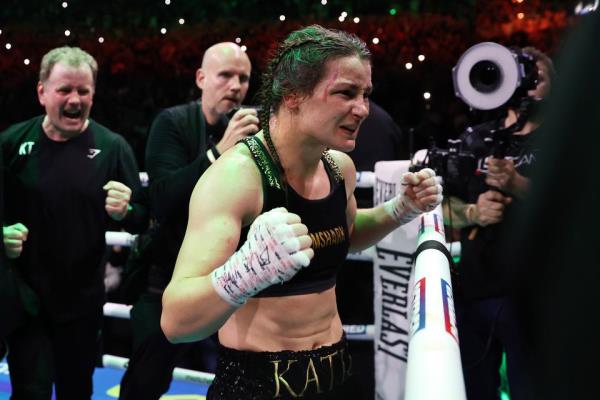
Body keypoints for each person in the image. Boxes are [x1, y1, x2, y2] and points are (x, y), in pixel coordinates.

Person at [161, 25, 443, 399]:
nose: (362, 109)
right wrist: (243, 273)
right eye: (346, 92)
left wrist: (400, 209)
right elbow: (176, 321)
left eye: (365, 94)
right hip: (257, 384)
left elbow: (347, 234)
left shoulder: (339, 167)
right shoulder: (236, 178)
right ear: (293, 95)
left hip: (337, 373)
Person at [0, 46, 147, 399]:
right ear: (42, 92)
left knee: (76, 393)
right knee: (29, 393)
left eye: (83, 91)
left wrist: (126, 212)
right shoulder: (12, 143)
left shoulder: (113, 147)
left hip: (81, 304)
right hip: (26, 301)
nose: (75, 99)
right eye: (65, 89)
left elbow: (144, 219)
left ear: (93, 94)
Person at [118, 42, 258, 399]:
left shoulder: (252, 134)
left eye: (243, 78)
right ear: (201, 78)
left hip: (228, 280)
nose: (235, 86)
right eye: (225, 75)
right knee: (146, 380)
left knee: (234, 379)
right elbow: (162, 199)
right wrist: (218, 152)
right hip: (166, 278)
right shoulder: (173, 123)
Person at [443, 46, 553, 400]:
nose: (529, 85)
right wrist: (473, 213)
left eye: (538, 78)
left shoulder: (562, 138)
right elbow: (440, 207)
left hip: (537, 296)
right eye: (523, 75)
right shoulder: (476, 139)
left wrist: (516, 185)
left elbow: (574, 206)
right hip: (477, 291)